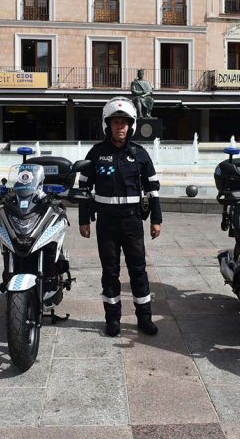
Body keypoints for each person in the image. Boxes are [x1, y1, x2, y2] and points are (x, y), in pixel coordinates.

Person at [78, 97, 162, 337]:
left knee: (138, 270)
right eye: (115, 122)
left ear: (131, 125)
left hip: (132, 221)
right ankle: (112, 319)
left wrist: (156, 220)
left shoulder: (140, 154)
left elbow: (153, 189)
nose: (120, 127)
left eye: (124, 122)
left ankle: (144, 318)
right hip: (106, 223)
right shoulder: (97, 153)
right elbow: (84, 188)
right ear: (108, 125)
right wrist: (84, 219)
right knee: (110, 272)